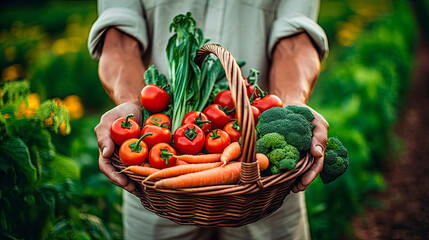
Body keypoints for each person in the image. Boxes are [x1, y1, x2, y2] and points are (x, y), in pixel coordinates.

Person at [88, 0, 329, 239]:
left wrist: (292, 105)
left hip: (265, 184)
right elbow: (118, 41)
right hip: (155, 182)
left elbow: (295, 42)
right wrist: (129, 103)